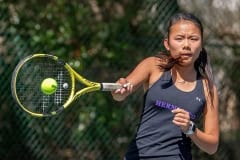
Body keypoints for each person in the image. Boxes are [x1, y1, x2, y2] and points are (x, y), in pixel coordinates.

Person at [111, 12, 219, 160]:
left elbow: (212, 146)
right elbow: (119, 94)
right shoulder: (153, 66)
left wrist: (191, 128)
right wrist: (119, 89)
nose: (186, 45)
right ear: (167, 44)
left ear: (201, 45)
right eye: (179, 39)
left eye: (193, 39)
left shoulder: (208, 88)